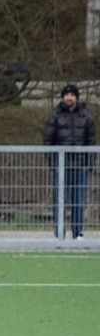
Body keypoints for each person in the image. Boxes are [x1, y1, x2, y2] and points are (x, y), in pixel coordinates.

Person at [42, 84, 95, 239]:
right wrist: (54, 164)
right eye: (66, 95)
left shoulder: (86, 117)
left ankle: (78, 234)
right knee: (59, 202)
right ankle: (59, 234)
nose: (69, 97)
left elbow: (91, 142)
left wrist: (88, 164)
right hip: (60, 167)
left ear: (77, 97)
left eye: (72, 95)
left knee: (78, 202)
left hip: (80, 167)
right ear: (62, 97)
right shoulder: (54, 117)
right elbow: (48, 142)